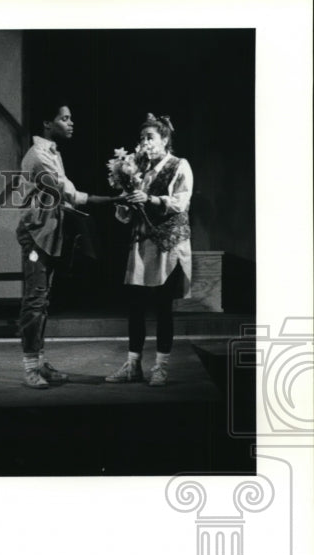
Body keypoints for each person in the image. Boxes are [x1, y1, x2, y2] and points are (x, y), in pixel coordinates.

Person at [16, 103, 118, 389]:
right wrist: (108, 201)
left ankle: (39, 362)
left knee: (43, 300)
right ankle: (30, 368)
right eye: (65, 118)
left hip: (48, 235)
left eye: (71, 118)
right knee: (35, 300)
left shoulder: (51, 153)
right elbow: (68, 193)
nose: (71, 123)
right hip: (36, 236)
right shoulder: (39, 157)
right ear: (48, 123)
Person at [105, 114, 193, 387]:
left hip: (168, 243)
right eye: (142, 138)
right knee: (136, 306)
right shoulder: (136, 168)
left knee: (163, 307)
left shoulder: (179, 166)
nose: (145, 143)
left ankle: (161, 366)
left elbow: (180, 202)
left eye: (150, 137)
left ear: (165, 140)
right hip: (142, 243)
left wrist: (151, 198)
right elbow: (126, 214)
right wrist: (124, 203)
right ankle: (133, 365)